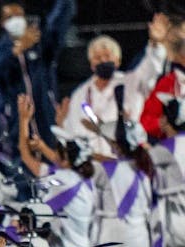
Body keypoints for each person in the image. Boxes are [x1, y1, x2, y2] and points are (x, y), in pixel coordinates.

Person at [0, 0, 77, 154]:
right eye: (9, 17)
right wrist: (17, 50)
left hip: (46, 123)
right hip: (14, 127)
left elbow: (59, 21)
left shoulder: (40, 42)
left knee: (52, 169)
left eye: (19, 15)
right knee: (18, 171)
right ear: (2, 22)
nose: (16, 20)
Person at [63, 22, 168, 159]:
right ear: (91, 64)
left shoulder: (131, 82)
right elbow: (71, 130)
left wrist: (155, 43)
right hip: (93, 166)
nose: (103, 60)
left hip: (128, 161)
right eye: (97, 58)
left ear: (118, 60)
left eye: (107, 56)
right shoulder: (80, 94)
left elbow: (152, 66)